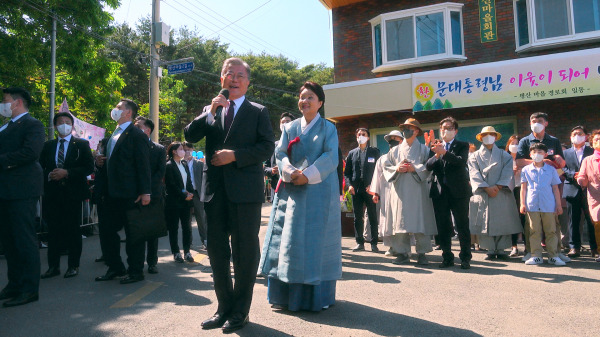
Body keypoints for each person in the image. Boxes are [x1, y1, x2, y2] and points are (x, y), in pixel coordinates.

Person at [184, 57, 274, 333]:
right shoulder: (211, 111)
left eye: (239, 75)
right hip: (215, 192)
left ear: (247, 82)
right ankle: (223, 307)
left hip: (245, 193)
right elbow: (189, 136)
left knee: (245, 252)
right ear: (221, 79)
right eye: (228, 74)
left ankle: (240, 311)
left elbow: (266, 147)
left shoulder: (258, 111)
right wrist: (209, 111)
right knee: (217, 251)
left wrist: (235, 155)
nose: (233, 79)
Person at [259, 81, 341, 312]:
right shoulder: (290, 127)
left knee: (317, 242)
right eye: (302, 97)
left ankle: (317, 297)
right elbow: (280, 153)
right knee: (288, 242)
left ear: (320, 103)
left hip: (318, 192)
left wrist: (308, 175)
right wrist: (289, 171)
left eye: (311, 98)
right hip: (292, 191)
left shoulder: (328, 128)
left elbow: (330, 156)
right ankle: (284, 296)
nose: (305, 101)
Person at [94, 99, 151, 284]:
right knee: (107, 231)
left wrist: (145, 191)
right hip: (109, 193)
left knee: (133, 234)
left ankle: (135, 271)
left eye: (119, 108)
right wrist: (100, 162)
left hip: (130, 194)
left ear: (128, 113)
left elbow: (143, 165)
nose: (114, 110)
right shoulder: (113, 134)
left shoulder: (136, 135)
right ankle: (115, 267)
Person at [0, 87, 44, 307]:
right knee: (9, 241)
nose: (2, 104)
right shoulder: (6, 126)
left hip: (21, 190)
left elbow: (30, 153)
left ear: (17, 103)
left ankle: (29, 288)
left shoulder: (33, 124)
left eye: (5, 100)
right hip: (5, 191)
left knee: (24, 239)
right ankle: (14, 283)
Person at [39, 112, 94, 279]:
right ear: (55, 126)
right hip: (53, 195)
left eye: (67, 122)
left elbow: (88, 168)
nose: (64, 124)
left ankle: (73, 265)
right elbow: (41, 166)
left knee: (73, 231)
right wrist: (50, 175)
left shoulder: (82, 144)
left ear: (72, 125)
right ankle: (53, 267)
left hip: (73, 195)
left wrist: (67, 172)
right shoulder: (48, 145)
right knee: (53, 231)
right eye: (60, 122)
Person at [515, 112, 569, 263]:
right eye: (533, 120)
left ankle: (555, 252)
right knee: (532, 226)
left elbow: (561, 164)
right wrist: (540, 160)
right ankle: (532, 252)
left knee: (553, 224)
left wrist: (558, 160)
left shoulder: (553, 140)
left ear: (546, 123)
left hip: (551, 185)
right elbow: (519, 162)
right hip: (532, 186)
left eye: (539, 120)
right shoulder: (525, 141)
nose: (535, 123)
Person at [382, 119, 437, 265]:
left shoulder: (425, 150)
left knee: (421, 221)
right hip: (400, 190)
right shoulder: (394, 150)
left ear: (417, 131)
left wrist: (415, 168)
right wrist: (397, 169)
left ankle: (422, 253)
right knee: (400, 221)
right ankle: (402, 253)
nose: (406, 130)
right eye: (404, 128)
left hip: (418, 190)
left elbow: (429, 167)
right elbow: (386, 166)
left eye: (409, 128)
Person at [468, 127, 522, 260]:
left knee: (503, 219)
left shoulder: (505, 156)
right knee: (485, 220)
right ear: (481, 138)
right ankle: (490, 249)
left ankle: (502, 249)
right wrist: (486, 188)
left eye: (491, 134)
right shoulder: (474, 156)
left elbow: (507, 172)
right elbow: (474, 173)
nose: (488, 137)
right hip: (484, 192)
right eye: (485, 135)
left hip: (501, 192)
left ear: (496, 137)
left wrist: (497, 186)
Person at [426, 117, 472, 269]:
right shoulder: (435, 146)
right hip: (440, 193)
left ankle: (465, 257)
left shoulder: (462, 145)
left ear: (456, 130)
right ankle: (447, 257)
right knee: (443, 226)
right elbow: (428, 165)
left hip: (459, 192)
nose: (447, 130)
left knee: (462, 225)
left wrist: (444, 152)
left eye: (450, 128)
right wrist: (437, 154)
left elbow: (460, 161)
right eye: (444, 128)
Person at [520, 142, 565, 265]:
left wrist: (558, 205)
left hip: (549, 205)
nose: (537, 154)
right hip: (532, 204)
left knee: (551, 231)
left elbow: (555, 188)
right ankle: (536, 255)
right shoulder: (526, 170)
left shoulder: (551, 170)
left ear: (545, 154)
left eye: (540, 152)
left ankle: (553, 255)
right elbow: (523, 188)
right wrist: (522, 204)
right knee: (534, 231)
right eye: (534, 152)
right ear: (530, 154)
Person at [134, 116, 166, 274]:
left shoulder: (159, 149)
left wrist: (145, 189)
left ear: (147, 130)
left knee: (152, 231)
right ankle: (136, 264)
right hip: (133, 196)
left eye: (138, 126)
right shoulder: (130, 146)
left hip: (152, 195)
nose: (135, 128)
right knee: (135, 231)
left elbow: (159, 172)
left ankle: (152, 262)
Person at [345, 128, 381, 252]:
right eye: (359, 134)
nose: (361, 136)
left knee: (372, 216)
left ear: (368, 137)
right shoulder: (351, 153)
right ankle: (359, 242)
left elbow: (378, 171)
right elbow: (347, 173)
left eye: (363, 134)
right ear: (356, 137)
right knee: (357, 217)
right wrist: (349, 185)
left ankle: (374, 243)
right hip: (356, 189)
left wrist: (374, 185)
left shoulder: (374, 152)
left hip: (370, 189)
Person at [563, 126, 596, 258]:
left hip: (589, 190)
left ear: (586, 136)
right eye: (574, 134)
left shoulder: (592, 151)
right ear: (570, 138)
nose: (577, 136)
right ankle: (574, 247)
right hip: (571, 188)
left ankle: (595, 247)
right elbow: (562, 169)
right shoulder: (565, 153)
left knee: (591, 219)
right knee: (573, 220)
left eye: (580, 134)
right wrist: (573, 175)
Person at [369, 130, 403, 256]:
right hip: (387, 194)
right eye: (390, 139)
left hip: (402, 194)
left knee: (402, 220)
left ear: (401, 140)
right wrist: (375, 193)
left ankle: (405, 249)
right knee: (388, 221)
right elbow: (377, 176)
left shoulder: (405, 157)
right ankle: (391, 247)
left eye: (395, 138)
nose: (392, 141)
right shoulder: (383, 158)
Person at [164, 142, 195, 263]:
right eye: (181, 149)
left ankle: (187, 251)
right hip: (174, 201)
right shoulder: (169, 165)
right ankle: (176, 252)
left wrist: (190, 193)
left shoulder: (184, 164)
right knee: (174, 228)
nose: (184, 151)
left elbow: (188, 182)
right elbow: (171, 185)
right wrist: (183, 195)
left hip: (186, 202)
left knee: (187, 227)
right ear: (174, 151)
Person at [576, 129, 600, 262]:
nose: (599, 142)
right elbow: (583, 177)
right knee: (598, 224)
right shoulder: (588, 160)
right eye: (596, 140)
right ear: (591, 143)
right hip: (596, 197)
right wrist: (581, 179)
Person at [182, 142, 208, 250]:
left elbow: (204, 180)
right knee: (186, 219)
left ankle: (205, 240)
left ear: (193, 150)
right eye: (185, 149)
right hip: (184, 193)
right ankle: (188, 242)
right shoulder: (180, 163)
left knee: (201, 217)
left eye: (189, 149)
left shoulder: (199, 164)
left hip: (197, 193)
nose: (187, 152)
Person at [265, 112, 295, 201]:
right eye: (283, 122)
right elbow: (265, 168)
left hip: (295, 189)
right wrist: (272, 171)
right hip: (277, 190)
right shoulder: (274, 145)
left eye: (288, 121)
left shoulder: (298, 143)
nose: (285, 124)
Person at [506, 135, 525, 257]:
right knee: (512, 218)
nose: (515, 145)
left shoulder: (524, 158)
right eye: (512, 143)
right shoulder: (505, 158)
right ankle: (513, 246)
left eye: (517, 143)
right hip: (509, 189)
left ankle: (527, 246)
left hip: (522, 189)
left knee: (523, 217)